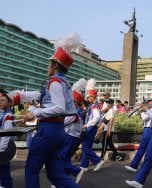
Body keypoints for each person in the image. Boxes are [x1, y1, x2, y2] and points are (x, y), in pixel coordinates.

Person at [24, 33, 81, 188]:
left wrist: (34, 113)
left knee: (31, 169)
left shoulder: (55, 82)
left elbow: (59, 108)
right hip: (58, 132)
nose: (47, 67)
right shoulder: (65, 83)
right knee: (55, 173)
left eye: (49, 64)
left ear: (55, 65)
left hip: (48, 131)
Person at [59, 78, 87, 184]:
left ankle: (76, 171)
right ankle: (64, 181)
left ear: (75, 102)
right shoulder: (75, 110)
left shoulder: (73, 111)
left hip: (70, 137)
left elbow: (63, 122)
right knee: (65, 158)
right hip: (72, 137)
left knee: (60, 158)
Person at [80, 79, 105, 172]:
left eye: (89, 97)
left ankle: (98, 161)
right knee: (87, 147)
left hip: (91, 128)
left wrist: (87, 125)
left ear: (93, 96)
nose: (87, 98)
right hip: (91, 127)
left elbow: (96, 117)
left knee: (85, 147)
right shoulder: (93, 105)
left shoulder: (94, 105)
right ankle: (84, 166)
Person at [0, 93, 15, 188]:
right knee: (3, 168)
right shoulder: (3, 114)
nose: (0, 102)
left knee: (4, 169)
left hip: (4, 146)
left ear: (10, 103)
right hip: (3, 145)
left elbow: (7, 134)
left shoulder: (8, 115)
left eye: (3, 100)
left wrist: (1, 148)